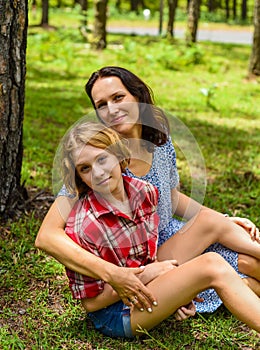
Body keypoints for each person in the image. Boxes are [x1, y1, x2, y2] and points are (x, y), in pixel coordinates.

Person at [35, 66, 260, 316]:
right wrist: (113, 273)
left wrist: (223, 221)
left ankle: (230, 291)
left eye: (118, 97)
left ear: (138, 97)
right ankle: (213, 291)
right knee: (243, 263)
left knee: (249, 259)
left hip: (175, 235)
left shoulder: (159, 143)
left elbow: (172, 198)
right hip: (144, 254)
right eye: (101, 105)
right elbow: (47, 237)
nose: (111, 109)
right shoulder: (99, 160)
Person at [58, 120, 260, 338]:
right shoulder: (85, 227)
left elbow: (148, 255)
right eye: (85, 169)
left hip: (148, 279)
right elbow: (91, 304)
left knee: (211, 228)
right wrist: (148, 276)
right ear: (79, 177)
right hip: (118, 313)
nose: (97, 173)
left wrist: (177, 290)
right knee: (212, 265)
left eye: (102, 159)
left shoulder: (143, 191)